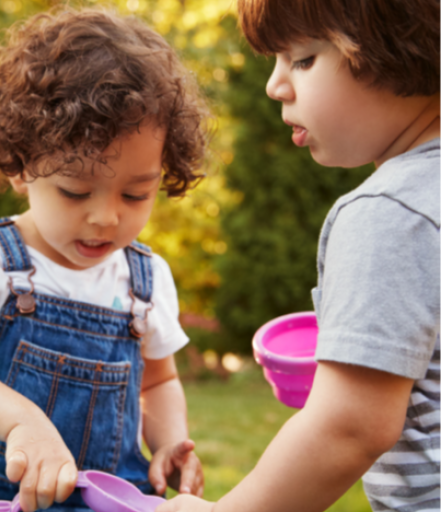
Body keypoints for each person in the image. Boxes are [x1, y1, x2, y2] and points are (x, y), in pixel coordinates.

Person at [0, 9, 209, 512]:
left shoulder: (146, 279)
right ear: (20, 166)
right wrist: (19, 420)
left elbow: (158, 381)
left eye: (136, 195)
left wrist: (168, 444)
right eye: (75, 192)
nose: (105, 218)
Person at [157, 1, 441, 512]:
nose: (274, 85)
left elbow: (350, 426)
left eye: (303, 59)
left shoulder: (390, 214)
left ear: (397, 44)